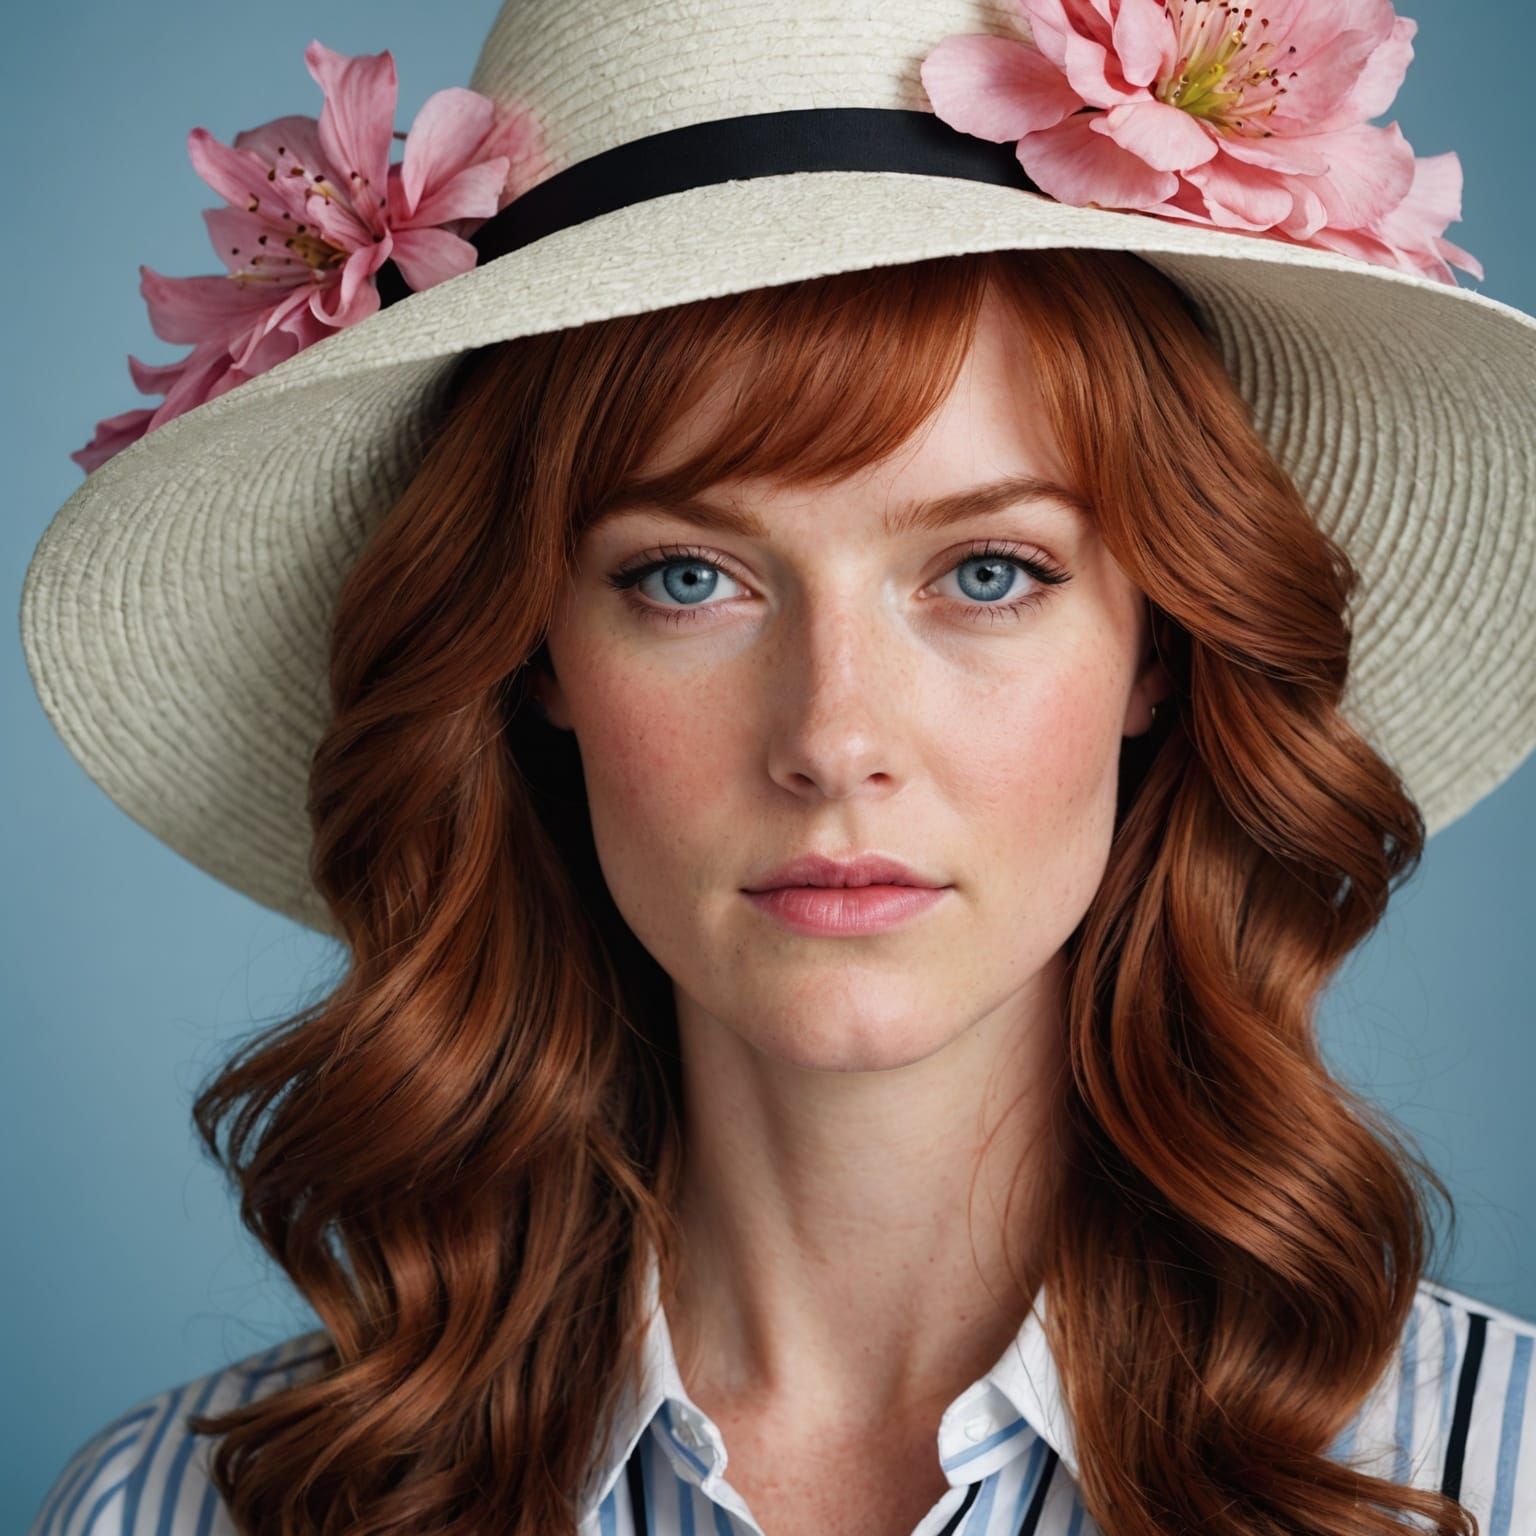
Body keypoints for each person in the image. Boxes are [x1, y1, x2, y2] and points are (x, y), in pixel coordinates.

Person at [21, 3, 1536, 1535]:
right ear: (535, 655)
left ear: (1158, 647)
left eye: (991, 573)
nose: (834, 740)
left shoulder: (1503, 1478)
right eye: (688, 578)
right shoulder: (182, 1508)